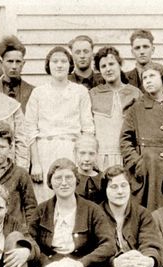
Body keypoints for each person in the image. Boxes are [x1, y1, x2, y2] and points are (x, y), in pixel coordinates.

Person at [29, 158, 117, 267]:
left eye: (68, 177)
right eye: (58, 178)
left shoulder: (91, 210)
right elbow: (30, 240)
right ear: (50, 182)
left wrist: (81, 263)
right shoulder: (42, 210)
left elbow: (108, 245)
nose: (63, 183)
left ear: (76, 180)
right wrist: (45, 262)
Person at [25, 46, 95, 202]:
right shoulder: (38, 92)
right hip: (45, 151)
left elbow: (88, 128)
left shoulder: (80, 91)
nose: (59, 65)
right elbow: (30, 129)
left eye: (63, 61)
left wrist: (83, 156)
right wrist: (35, 163)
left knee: (71, 195)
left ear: (70, 65)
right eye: (55, 61)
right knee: (46, 197)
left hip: (71, 149)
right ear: (48, 65)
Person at [97, 166, 163, 267]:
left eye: (123, 185)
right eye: (113, 187)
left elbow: (151, 242)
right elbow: (95, 247)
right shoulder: (97, 214)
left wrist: (149, 260)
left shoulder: (141, 213)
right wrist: (114, 261)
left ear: (130, 186)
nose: (120, 191)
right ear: (105, 190)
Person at [120, 63, 163, 210]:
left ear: (162, 78)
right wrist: (137, 163)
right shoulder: (137, 108)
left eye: (152, 76)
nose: (148, 80)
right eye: (144, 78)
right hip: (147, 168)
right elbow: (125, 140)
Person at [0, 121, 38, 227]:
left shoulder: (20, 174)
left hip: (14, 232)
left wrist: (28, 233)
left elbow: (31, 208)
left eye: (2, 147)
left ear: (10, 147)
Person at [90, 46, 141, 170]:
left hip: (127, 155)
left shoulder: (135, 93)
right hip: (101, 156)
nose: (108, 69)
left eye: (111, 64)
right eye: (103, 66)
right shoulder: (93, 94)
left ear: (119, 65)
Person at [0, 35, 35, 111]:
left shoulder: (32, 92)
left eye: (18, 61)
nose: (14, 66)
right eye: (10, 61)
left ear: (23, 64)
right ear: (1, 63)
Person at [75, 135, 104, 203]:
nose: (87, 159)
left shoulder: (103, 178)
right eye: (82, 153)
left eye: (91, 154)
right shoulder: (70, 177)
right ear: (75, 153)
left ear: (97, 155)